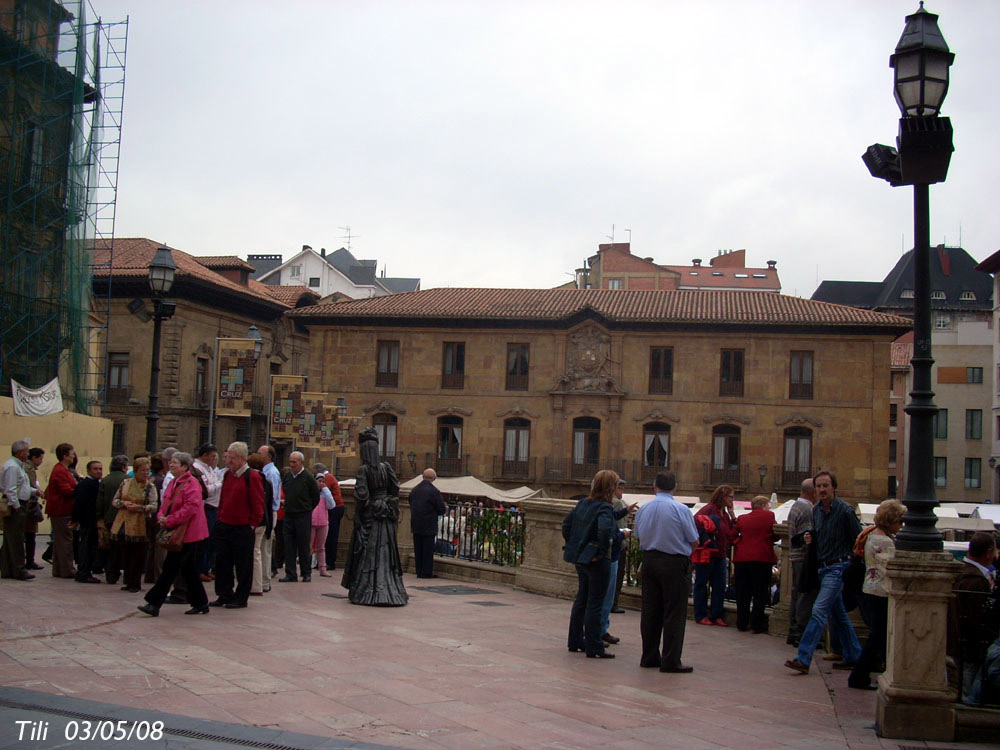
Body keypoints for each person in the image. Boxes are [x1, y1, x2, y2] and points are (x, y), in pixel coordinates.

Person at [784, 470, 862, 675]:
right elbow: (819, 535)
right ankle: (855, 656)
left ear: (833, 488)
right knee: (839, 615)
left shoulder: (845, 511)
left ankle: (803, 657)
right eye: (819, 486)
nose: (822, 490)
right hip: (822, 567)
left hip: (838, 568)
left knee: (818, 611)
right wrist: (809, 538)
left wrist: (851, 568)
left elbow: (858, 540)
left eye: (826, 486)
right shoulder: (816, 510)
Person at [634, 471, 699, 672]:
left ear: (654, 486)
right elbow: (694, 539)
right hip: (674, 562)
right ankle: (670, 660)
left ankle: (649, 656)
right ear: (675, 487)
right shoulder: (681, 509)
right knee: (674, 612)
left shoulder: (643, 509)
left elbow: (637, 535)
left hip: (650, 559)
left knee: (651, 610)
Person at [138, 451, 211, 617]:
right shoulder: (173, 482)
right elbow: (165, 502)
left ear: (185, 467)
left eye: (175, 463)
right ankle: (201, 602)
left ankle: (154, 602)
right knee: (188, 569)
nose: (171, 465)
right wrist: (162, 517)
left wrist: (169, 520)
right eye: (171, 462)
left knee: (170, 567)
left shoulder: (191, 483)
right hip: (178, 530)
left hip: (188, 533)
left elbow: (190, 507)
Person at [341, 427, 408, 606]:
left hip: (371, 515)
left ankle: (367, 591)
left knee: (369, 552)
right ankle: (392, 591)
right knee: (386, 552)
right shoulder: (386, 467)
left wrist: (359, 514)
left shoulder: (363, 470)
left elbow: (362, 496)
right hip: (385, 515)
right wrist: (386, 502)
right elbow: (395, 488)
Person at [848, 499, 904, 690]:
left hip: (869, 587)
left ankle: (867, 671)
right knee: (878, 636)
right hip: (880, 591)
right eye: (900, 520)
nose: (901, 525)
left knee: (877, 635)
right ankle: (859, 675)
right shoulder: (884, 541)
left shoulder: (870, 535)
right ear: (891, 519)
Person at [562, 470, 618, 658]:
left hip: (581, 559)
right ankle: (594, 646)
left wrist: (577, 547)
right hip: (596, 561)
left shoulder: (582, 503)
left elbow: (566, 526)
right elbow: (604, 531)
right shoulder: (605, 507)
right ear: (611, 488)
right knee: (595, 602)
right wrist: (599, 552)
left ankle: (575, 640)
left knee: (582, 599)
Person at [211, 442, 265, 608]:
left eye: (232, 458)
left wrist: (252, 524)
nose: (229, 461)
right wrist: (220, 518)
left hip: (242, 527)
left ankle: (241, 597)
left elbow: (258, 503)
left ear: (242, 458)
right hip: (225, 524)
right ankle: (224, 594)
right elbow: (224, 499)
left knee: (243, 565)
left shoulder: (252, 476)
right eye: (228, 457)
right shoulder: (227, 475)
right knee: (222, 562)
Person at [949, 531, 999, 701]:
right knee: (968, 689)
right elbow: (975, 617)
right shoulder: (975, 580)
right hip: (969, 646)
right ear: (988, 553)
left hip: (959, 643)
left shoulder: (962, 572)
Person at [110, 456, 159, 593]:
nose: (145, 473)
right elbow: (115, 500)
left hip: (140, 523)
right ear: (136, 471)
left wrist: (139, 508)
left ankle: (135, 583)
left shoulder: (150, 487)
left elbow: (154, 506)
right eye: (142, 470)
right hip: (124, 522)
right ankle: (127, 580)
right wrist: (124, 504)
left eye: (147, 470)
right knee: (126, 553)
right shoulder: (125, 483)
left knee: (138, 555)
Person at [733, 495, 778, 633]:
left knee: (743, 593)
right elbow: (775, 534)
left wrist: (739, 543)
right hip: (762, 559)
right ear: (764, 505)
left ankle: (741, 623)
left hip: (742, 559)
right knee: (760, 592)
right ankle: (756, 625)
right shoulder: (769, 516)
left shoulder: (742, 518)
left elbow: (732, 534)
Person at [600, 479, 637, 645]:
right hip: (609, 554)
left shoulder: (592, 503)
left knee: (596, 598)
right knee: (604, 596)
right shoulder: (609, 503)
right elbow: (608, 530)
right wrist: (622, 536)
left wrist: (625, 511)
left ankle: (596, 632)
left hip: (603, 554)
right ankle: (598, 633)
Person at [693, 484, 737, 626]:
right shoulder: (709, 509)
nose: (732, 500)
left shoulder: (724, 513)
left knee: (719, 585)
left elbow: (731, 531)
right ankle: (700, 615)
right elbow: (695, 522)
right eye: (731, 497)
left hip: (720, 554)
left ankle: (716, 615)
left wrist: (732, 515)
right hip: (708, 553)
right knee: (702, 583)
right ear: (723, 496)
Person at [1, 440, 39, 580]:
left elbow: (20, 486)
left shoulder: (18, 466)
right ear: (20, 452)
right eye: (27, 451)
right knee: (16, 539)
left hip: (19, 502)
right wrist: (16, 506)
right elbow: (10, 489)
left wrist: (34, 492)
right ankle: (19, 569)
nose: (28, 454)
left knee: (10, 538)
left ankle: (7, 569)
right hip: (16, 505)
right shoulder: (12, 467)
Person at [279, 451, 319, 582]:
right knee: (289, 545)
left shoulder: (308, 477)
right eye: (290, 462)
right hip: (289, 514)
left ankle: (306, 572)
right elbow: (285, 490)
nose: (292, 465)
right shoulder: (288, 476)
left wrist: (306, 508)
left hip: (303, 515)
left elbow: (315, 497)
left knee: (303, 545)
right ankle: (290, 573)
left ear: (301, 462)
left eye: (294, 462)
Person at [785, 478, 816, 646]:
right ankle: (799, 632)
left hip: (795, 556)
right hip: (803, 558)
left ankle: (793, 630)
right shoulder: (807, 509)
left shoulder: (796, 506)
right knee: (805, 595)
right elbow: (807, 536)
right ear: (813, 492)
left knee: (797, 593)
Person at [43, 443, 78, 578]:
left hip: (60, 508)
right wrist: (79, 489)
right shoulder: (61, 470)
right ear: (65, 456)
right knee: (65, 541)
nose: (73, 456)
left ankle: (59, 568)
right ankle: (68, 569)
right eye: (71, 453)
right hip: (61, 509)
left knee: (60, 541)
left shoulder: (63, 469)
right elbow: (66, 490)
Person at [96, 455, 129, 585]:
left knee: (110, 547)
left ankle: (110, 573)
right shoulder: (128, 480)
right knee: (123, 547)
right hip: (123, 518)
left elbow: (100, 502)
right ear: (123, 467)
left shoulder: (105, 480)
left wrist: (100, 517)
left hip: (109, 517)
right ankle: (121, 572)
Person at [409, 468, 447, 579]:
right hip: (429, 524)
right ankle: (426, 572)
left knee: (418, 548)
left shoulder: (414, 490)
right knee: (427, 549)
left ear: (423, 476)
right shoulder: (434, 491)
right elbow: (441, 509)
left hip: (416, 523)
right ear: (434, 478)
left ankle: (419, 571)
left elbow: (410, 502)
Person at [192, 444, 222, 581]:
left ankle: (205, 567)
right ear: (204, 456)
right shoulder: (197, 469)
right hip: (206, 507)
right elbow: (206, 489)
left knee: (210, 540)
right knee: (203, 540)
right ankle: (199, 569)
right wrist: (220, 484)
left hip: (214, 507)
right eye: (213, 456)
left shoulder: (209, 469)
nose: (215, 459)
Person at [72, 460, 104, 583]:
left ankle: (86, 571)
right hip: (87, 520)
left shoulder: (97, 484)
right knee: (86, 547)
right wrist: (76, 519)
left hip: (93, 520)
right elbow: (78, 503)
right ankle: (83, 572)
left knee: (91, 547)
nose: (98, 471)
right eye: (95, 469)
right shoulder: (85, 484)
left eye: (100, 469)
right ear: (89, 471)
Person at [248, 454, 275, 595]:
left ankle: (256, 586)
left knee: (255, 553)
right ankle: (263, 583)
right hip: (264, 520)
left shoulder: (254, 479)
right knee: (260, 552)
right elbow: (270, 504)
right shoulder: (267, 481)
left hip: (256, 521)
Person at [257, 445, 282, 584]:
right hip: (268, 511)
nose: (257, 455)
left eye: (260, 453)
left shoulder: (271, 473)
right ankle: (263, 579)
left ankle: (264, 580)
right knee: (263, 547)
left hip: (269, 512)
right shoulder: (268, 471)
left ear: (269, 457)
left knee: (264, 547)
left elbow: (271, 496)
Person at [22, 447, 45, 571]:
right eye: (40, 458)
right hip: (29, 504)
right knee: (29, 535)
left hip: (28, 503)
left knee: (27, 535)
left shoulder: (27, 467)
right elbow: (29, 487)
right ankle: (29, 560)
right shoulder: (28, 469)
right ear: (34, 457)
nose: (41, 461)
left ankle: (29, 560)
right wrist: (37, 492)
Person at [310, 464, 334, 577]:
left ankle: (322, 568)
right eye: (319, 481)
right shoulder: (312, 493)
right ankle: (307, 567)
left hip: (323, 522)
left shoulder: (325, 494)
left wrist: (325, 490)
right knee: (308, 545)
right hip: (312, 522)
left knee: (321, 547)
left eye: (322, 481)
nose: (321, 483)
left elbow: (332, 505)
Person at [324, 467, 344, 571]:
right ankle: (328, 562)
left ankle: (330, 562)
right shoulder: (329, 477)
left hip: (335, 509)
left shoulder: (328, 478)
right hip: (335, 508)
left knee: (331, 535)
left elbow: (322, 489)